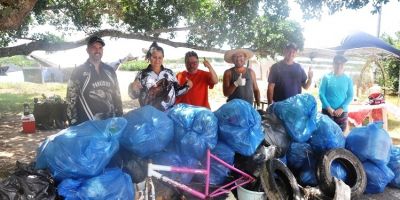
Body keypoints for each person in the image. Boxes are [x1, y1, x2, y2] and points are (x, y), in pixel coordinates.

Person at [66, 35, 123, 125]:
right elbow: (71, 100)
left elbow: (117, 96)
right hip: (87, 126)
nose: (97, 50)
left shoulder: (110, 70)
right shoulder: (79, 71)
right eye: (94, 47)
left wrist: (119, 118)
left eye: (100, 48)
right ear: (87, 50)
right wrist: (73, 123)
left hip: (109, 125)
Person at [128, 42, 193, 111]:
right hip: (149, 116)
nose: (157, 60)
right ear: (149, 57)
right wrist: (132, 88)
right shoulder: (142, 74)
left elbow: (176, 92)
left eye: (160, 58)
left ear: (163, 58)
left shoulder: (169, 73)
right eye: (154, 57)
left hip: (168, 114)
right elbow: (133, 96)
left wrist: (187, 86)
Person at [319, 55, 354, 131]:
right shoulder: (326, 77)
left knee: (341, 136)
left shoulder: (348, 79)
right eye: (337, 63)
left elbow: (350, 96)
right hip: (327, 111)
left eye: (341, 64)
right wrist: (329, 108)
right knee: (326, 134)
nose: (339, 66)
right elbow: (321, 94)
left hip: (342, 112)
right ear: (333, 64)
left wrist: (342, 108)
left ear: (344, 65)